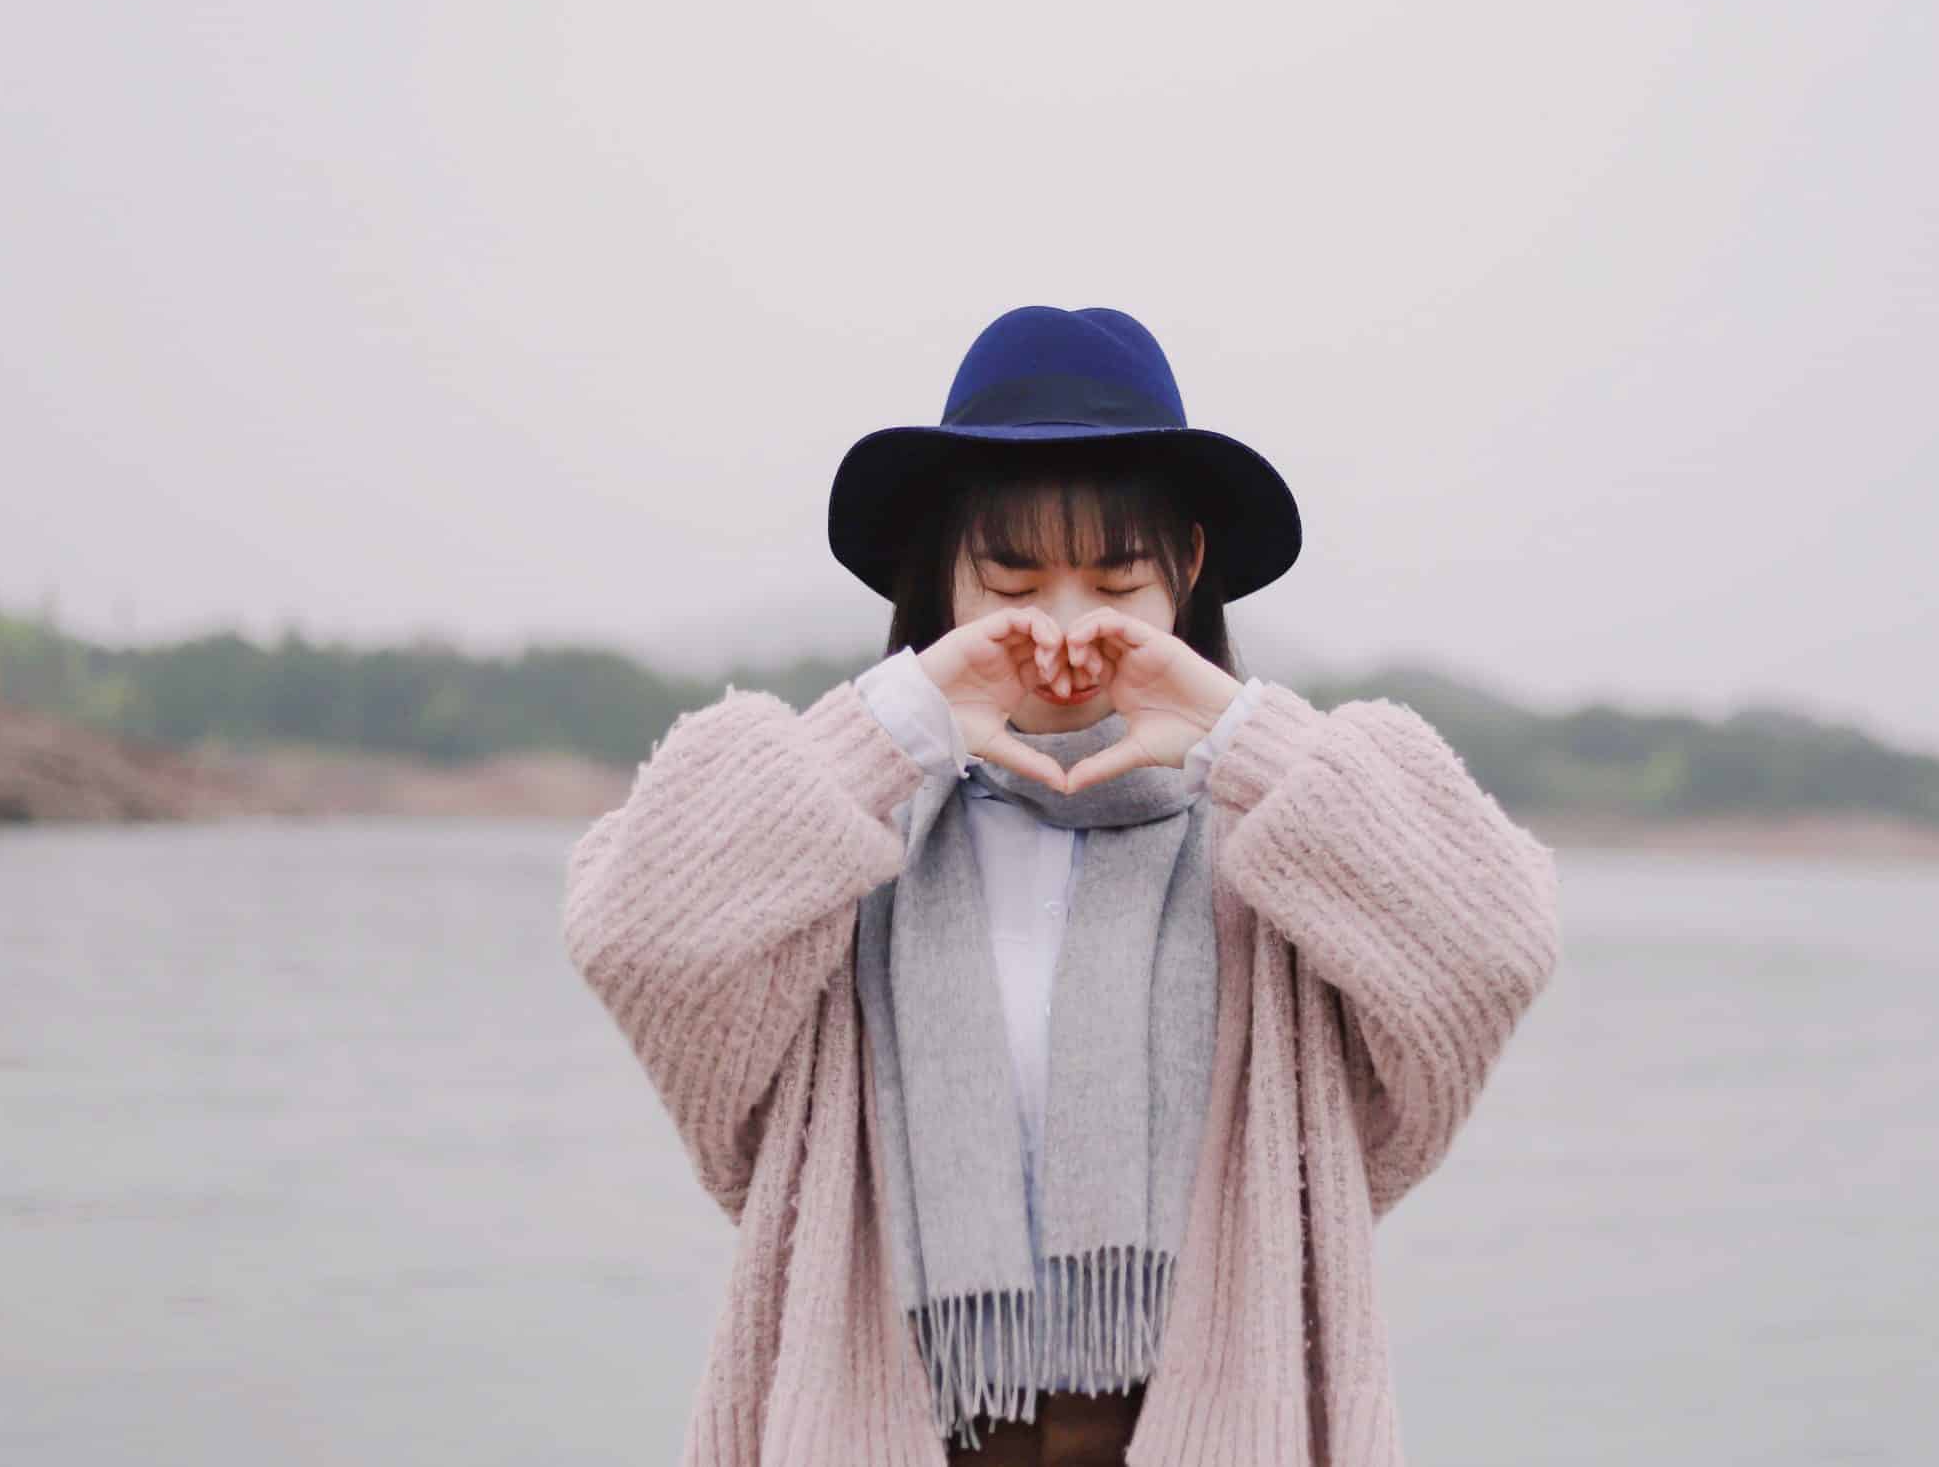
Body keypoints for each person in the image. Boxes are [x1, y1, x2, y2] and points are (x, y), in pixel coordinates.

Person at [562, 305, 1563, 1466]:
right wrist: (895, 724)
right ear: (944, 579)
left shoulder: (1277, 843)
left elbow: (1497, 939)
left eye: (1116, 580)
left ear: (1186, 571)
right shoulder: (848, 827)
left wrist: (1239, 734)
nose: (1066, 628)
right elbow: (634, 933)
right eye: (1013, 578)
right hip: (899, 1423)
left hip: (1206, 1422)